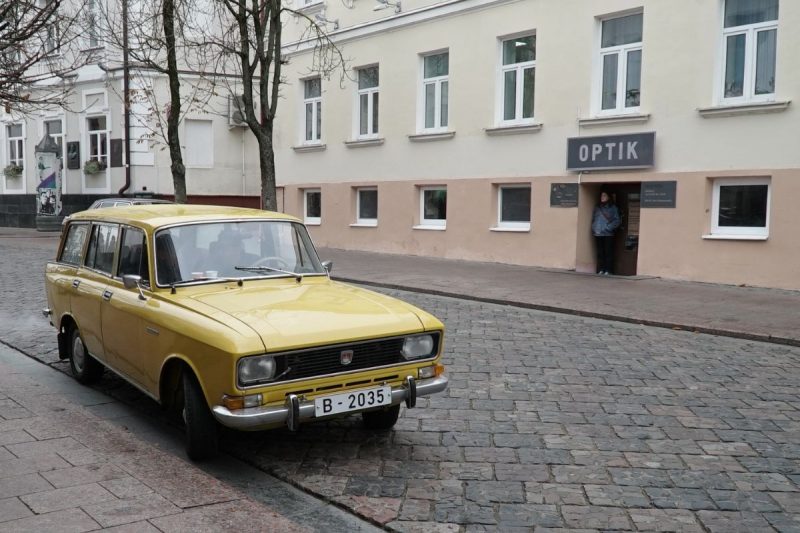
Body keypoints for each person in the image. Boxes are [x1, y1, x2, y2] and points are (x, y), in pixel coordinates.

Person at [591, 190, 621, 275]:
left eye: (604, 195)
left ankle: (608, 270)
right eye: (601, 196)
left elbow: (617, 220)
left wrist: (608, 228)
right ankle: (601, 269)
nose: (602, 197)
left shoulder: (613, 208)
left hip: (608, 234)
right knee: (600, 253)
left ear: (608, 197)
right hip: (598, 233)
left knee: (608, 252)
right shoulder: (597, 207)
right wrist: (594, 227)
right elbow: (594, 219)